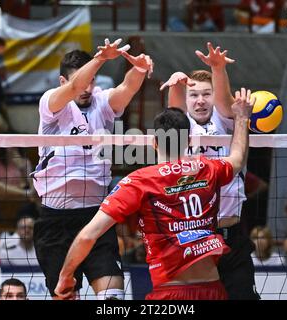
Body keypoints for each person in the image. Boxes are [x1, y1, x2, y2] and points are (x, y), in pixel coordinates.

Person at [54, 88, 254, 300]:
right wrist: (242, 117)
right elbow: (238, 158)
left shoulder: (139, 181)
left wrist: (66, 275)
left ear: (154, 142)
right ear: (188, 141)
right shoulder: (208, 169)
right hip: (213, 290)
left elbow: (87, 235)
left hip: (170, 294)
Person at [31, 38, 154, 299]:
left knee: (113, 298)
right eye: (81, 81)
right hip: (56, 219)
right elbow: (77, 85)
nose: (86, 87)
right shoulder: (51, 104)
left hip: (97, 215)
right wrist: (100, 59)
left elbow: (127, 88)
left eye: (92, 81)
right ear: (62, 82)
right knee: (65, 295)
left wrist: (140, 68)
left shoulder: (103, 103)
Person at [160, 42, 260, 299]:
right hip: (195, 236)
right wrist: (175, 86)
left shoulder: (226, 120)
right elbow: (174, 112)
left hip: (232, 235)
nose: (201, 100)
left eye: (207, 94)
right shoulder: (182, 126)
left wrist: (217, 68)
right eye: (194, 95)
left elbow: (227, 104)